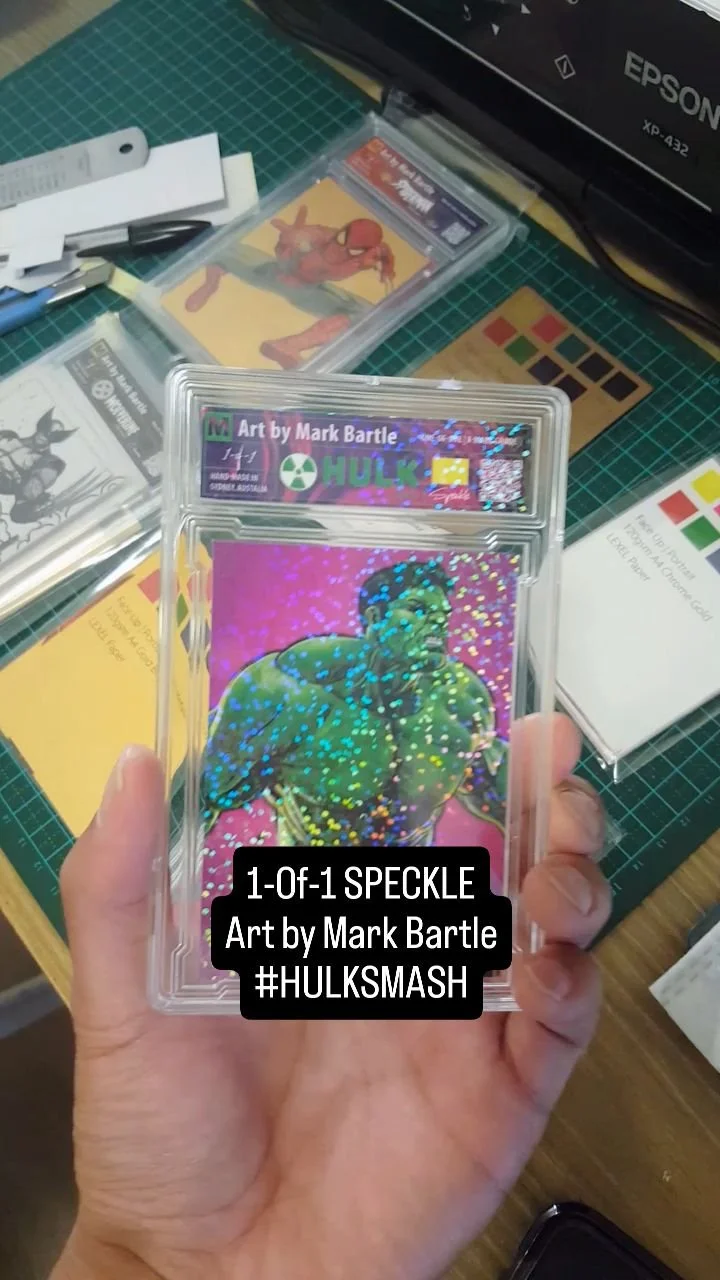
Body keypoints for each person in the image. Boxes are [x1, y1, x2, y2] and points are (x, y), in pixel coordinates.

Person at [53, 712, 611, 1280]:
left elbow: (500, 798)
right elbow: (216, 797)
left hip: (410, 956)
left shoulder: (450, 702)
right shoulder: (283, 693)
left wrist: (159, 1257)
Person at [203, 560, 505, 846]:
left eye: (443, 614)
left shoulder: (462, 702)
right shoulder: (292, 687)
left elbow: (498, 794)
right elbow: (208, 791)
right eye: (418, 610)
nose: (438, 622)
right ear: (374, 618)